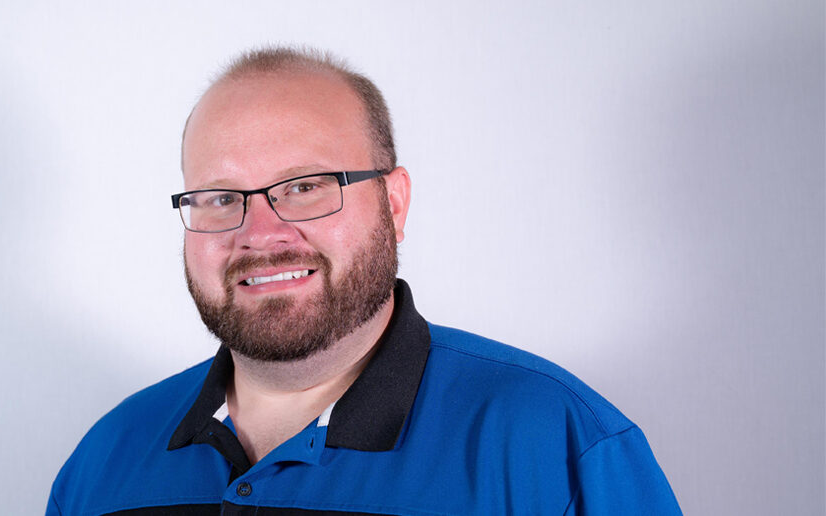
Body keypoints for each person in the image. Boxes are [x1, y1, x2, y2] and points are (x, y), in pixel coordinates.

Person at [46, 47, 682, 515]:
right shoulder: (105, 459)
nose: (261, 234)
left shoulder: (557, 446)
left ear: (394, 204)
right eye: (219, 197)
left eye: (305, 187)